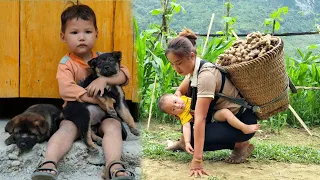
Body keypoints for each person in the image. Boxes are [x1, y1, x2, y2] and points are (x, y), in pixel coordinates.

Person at [31, 3, 135, 180]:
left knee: (114, 126)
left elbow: (125, 74)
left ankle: (113, 165)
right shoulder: (66, 64)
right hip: (77, 112)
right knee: (66, 129)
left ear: (96, 34)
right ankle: (49, 162)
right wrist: (97, 101)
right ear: (63, 37)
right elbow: (66, 90)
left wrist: (105, 79)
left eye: (87, 32)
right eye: (74, 33)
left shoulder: (103, 58)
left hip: (105, 115)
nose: (81, 38)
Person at [165, 28, 259, 177]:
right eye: (172, 64)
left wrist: (197, 159)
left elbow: (201, 119)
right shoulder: (193, 71)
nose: (176, 68)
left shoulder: (205, 76)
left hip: (241, 121)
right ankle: (184, 142)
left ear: (192, 56)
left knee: (195, 140)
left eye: (179, 63)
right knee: (190, 129)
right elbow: (180, 91)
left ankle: (240, 144)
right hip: (223, 119)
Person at [158, 93, 260, 154]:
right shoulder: (183, 115)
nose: (178, 106)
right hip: (209, 122)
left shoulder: (185, 97)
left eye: (176, 102)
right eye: (173, 109)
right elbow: (186, 128)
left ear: (177, 96)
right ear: (172, 114)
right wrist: (188, 142)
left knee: (225, 112)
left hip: (213, 114)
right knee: (194, 137)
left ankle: (244, 127)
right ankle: (180, 144)